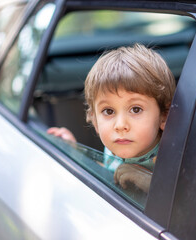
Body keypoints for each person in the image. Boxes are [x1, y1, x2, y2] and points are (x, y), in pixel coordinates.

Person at [47, 43, 175, 193]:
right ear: (94, 121)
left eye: (135, 109)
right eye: (108, 111)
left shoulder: (174, 158)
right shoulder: (114, 146)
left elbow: (188, 201)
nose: (120, 125)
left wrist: (150, 183)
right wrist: (78, 154)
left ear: (164, 116)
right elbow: (108, 173)